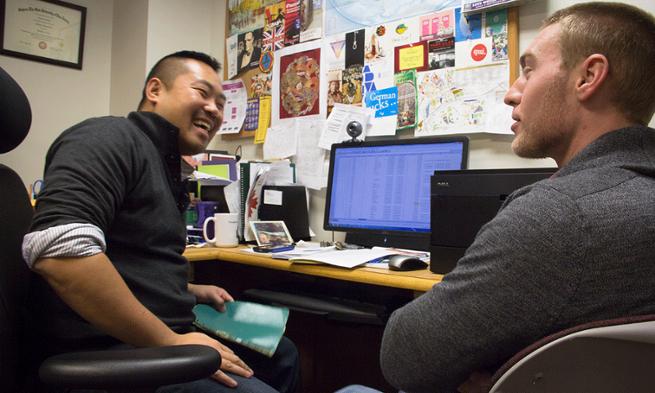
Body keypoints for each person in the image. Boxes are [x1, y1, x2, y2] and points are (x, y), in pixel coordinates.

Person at [348, 3, 655, 393]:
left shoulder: (556, 217)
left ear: (588, 77)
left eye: (528, 70)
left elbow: (403, 358)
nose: (512, 94)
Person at [22, 51, 299, 393]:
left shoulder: (165, 166)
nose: (214, 109)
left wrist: (186, 290)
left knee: (283, 354)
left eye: (220, 102)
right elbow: (60, 251)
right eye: (202, 92)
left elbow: (133, 257)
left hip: (157, 333)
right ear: (155, 90)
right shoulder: (108, 136)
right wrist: (170, 340)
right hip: (109, 349)